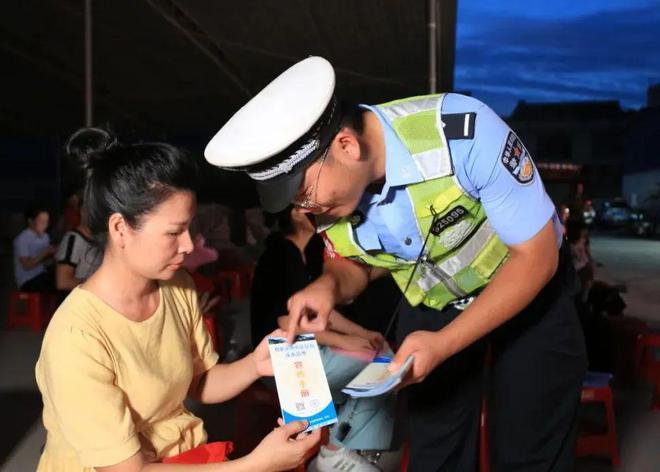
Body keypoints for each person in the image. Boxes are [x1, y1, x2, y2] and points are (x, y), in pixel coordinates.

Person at [205, 57, 587, 471]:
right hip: (432, 304)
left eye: (304, 196)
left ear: (347, 146)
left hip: (529, 293)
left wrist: (445, 344)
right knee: (434, 448)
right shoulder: (331, 196)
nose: (305, 210)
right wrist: (328, 287)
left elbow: (537, 257)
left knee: (531, 447)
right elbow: (357, 264)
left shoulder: (461, 136)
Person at [35, 128, 320, 472]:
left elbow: (199, 382)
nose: (187, 245)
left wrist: (254, 364)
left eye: (189, 229)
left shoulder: (177, 287)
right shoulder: (76, 337)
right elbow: (129, 470)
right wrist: (255, 465)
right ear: (120, 229)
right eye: (173, 232)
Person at [251, 206, 394, 471]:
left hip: (309, 353)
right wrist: (345, 341)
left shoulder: (314, 253)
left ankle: (346, 449)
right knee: (379, 363)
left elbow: (322, 312)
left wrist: (362, 334)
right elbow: (286, 321)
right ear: (295, 214)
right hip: (275, 362)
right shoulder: (278, 255)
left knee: (382, 356)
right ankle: (337, 450)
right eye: (310, 210)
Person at [55, 206, 102, 291]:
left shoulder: (102, 239)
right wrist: (98, 286)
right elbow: (63, 282)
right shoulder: (73, 239)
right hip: (81, 298)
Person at [13, 205, 56, 291]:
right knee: (58, 284)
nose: (45, 225)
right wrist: (45, 252)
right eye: (41, 221)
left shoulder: (45, 236)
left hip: (42, 275)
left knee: (62, 277)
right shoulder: (23, 239)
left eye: (46, 221)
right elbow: (27, 265)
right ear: (30, 221)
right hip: (28, 280)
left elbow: (45, 262)